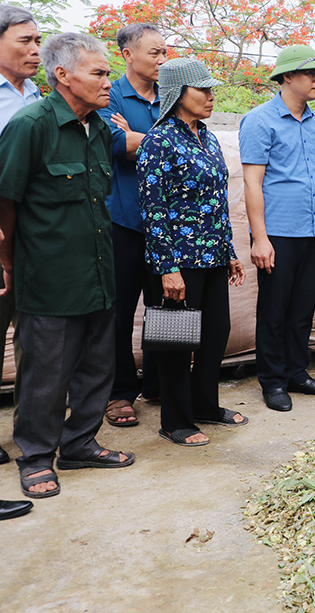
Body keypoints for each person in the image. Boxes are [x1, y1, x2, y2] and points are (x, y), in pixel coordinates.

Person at [0, 32, 135, 500]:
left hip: (98, 272)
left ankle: (79, 444)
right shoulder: (31, 125)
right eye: (98, 73)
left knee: (97, 365)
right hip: (49, 276)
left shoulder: (98, 127)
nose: (107, 83)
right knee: (45, 374)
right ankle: (36, 456)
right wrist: (7, 262)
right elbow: (6, 200)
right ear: (63, 75)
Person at [137, 58, 247, 445]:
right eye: (204, 90)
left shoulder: (208, 136)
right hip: (177, 261)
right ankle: (176, 420)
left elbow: (216, 202)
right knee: (177, 343)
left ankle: (204, 405)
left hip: (213, 256)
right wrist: (167, 267)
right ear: (178, 93)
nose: (212, 97)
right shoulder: (158, 140)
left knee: (216, 334)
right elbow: (152, 210)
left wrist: (229, 250)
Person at [240, 45, 315, 412]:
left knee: (302, 308)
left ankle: (297, 372)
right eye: (310, 73)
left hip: (313, 231)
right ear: (285, 77)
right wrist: (260, 237)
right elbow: (252, 183)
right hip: (277, 233)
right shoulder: (260, 120)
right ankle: (273, 380)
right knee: (274, 309)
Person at [97, 23, 167, 428]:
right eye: (154, 53)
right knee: (118, 312)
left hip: (166, 225)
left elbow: (181, 146)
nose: (162, 60)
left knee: (164, 308)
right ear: (127, 54)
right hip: (122, 219)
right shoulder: (110, 94)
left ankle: (159, 381)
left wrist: (138, 139)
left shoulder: (170, 96)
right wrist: (154, 143)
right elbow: (112, 144)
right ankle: (120, 392)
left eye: (164, 53)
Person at [0, 3, 41, 519]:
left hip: (29, 242)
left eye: (38, 41)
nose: (34, 50)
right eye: (24, 40)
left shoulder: (36, 96)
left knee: (26, 339)